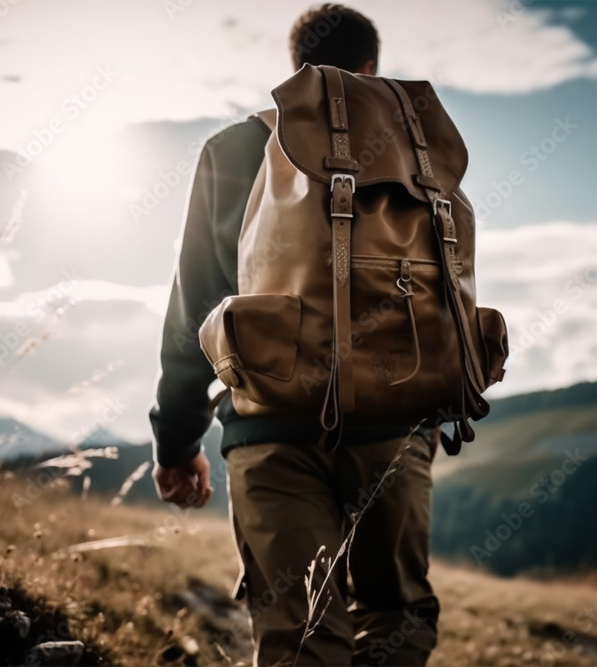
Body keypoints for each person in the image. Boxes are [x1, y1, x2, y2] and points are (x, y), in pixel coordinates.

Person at [148, 5, 440, 665]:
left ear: (295, 69)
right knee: (398, 618)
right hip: (393, 428)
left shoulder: (234, 148)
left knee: (303, 636)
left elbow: (195, 308)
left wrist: (176, 441)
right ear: (372, 69)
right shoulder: (418, 151)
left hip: (270, 428)